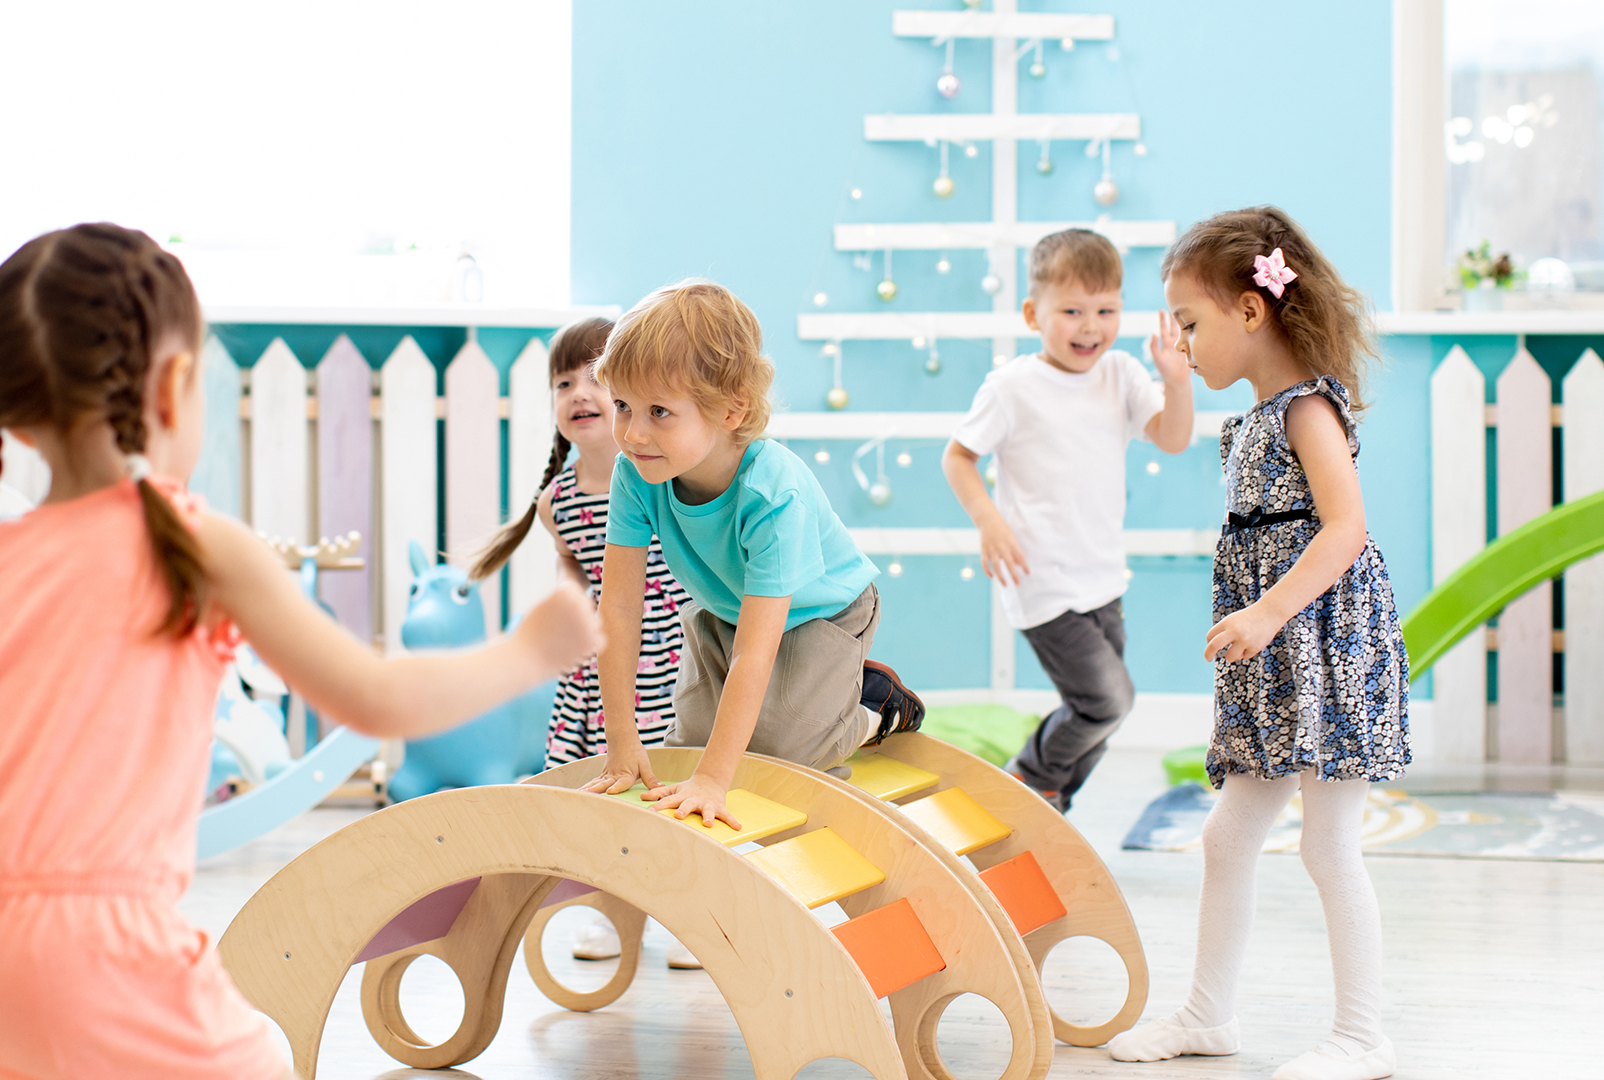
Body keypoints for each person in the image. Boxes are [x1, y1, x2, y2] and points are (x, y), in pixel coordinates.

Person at [0, 223, 601, 1080]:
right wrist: (533, 649)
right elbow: (377, 700)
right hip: (91, 945)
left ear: (8, 406)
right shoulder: (188, 543)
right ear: (175, 386)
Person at [1107, 207, 1408, 1080]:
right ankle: (1208, 1013)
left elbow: (1345, 528)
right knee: (1227, 840)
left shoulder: (1307, 409)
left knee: (1327, 844)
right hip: (1272, 656)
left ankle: (1363, 1035)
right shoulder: (1253, 418)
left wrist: (1268, 612)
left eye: (1191, 324)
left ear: (1251, 311)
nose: (1185, 343)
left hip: (1321, 646)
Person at [581, 278, 923, 830]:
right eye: (622, 405)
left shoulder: (772, 491)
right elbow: (618, 609)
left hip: (822, 611)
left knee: (780, 751)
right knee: (690, 742)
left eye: (659, 412)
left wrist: (715, 782)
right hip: (725, 606)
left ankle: (874, 707)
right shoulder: (635, 472)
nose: (632, 432)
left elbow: (754, 656)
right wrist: (622, 742)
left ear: (731, 411)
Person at [468, 316, 700, 967]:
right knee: (601, 791)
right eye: (563, 381)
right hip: (602, 670)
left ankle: (687, 914)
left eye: (596, 377)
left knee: (669, 785)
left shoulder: (661, 475)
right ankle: (605, 912)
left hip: (669, 656)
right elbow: (577, 583)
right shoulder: (556, 502)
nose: (579, 392)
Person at [940, 227, 1194, 812]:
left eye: (1105, 310)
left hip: (1102, 576)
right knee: (1108, 702)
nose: (1090, 326)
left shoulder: (1123, 375)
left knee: (1100, 712)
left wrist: (1176, 383)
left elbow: (1173, 439)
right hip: (1041, 578)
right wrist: (989, 520)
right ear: (1034, 313)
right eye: (1072, 310)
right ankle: (1027, 778)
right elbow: (958, 457)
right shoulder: (1012, 388)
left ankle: (1049, 801)